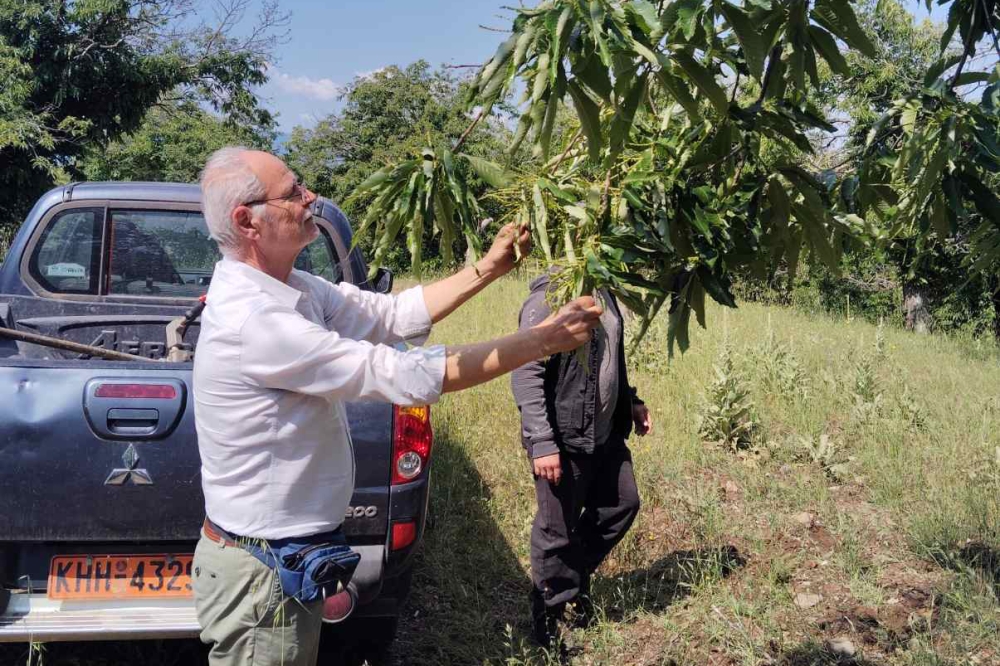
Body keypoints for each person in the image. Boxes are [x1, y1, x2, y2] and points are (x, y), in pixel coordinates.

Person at [191, 147, 602, 666]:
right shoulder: (255, 321)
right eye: (292, 192)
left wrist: (490, 268)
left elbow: (390, 314)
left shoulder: (291, 286)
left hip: (288, 560)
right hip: (262, 576)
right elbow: (402, 372)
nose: (309, 197)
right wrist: (542, 340)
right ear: (247, 220)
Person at [511, 273, 653, 647]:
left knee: (622, 503)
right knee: (556, 530)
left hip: (604, 433)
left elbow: (610, 355)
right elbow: (525, 371)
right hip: (563, 437)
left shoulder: (603, 290)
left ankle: (570, 583)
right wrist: (542, 443)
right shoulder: (548, 299)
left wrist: (631, 400)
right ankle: (548, 619)